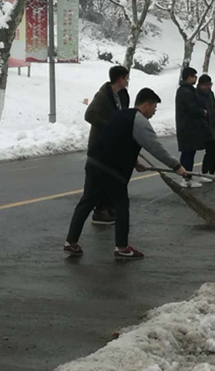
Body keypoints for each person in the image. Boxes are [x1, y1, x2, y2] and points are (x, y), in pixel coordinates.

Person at [64, 88, 187, 259]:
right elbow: (155, 147)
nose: (154, 112)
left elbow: (117, 140)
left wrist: (134, 162)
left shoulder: (121, 115)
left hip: (94, 162)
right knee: (121, 205)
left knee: (87, 201)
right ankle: (122, 248)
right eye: (154, 107)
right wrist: (176, 165)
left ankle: (71, 243)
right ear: (145, 105)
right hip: (111, 169)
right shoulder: (139, 120)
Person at [84, 65, 130, 225]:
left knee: (112, 176)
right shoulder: (102, 96)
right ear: (119, 79)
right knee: (99, 179)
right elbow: (89, 115)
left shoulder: (123, 95)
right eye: (126, 77)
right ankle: (99, 210)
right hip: (100, 143)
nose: (127, 80)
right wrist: (108, 126)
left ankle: (109, 206)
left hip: (114, 143)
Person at [175, 66, 211, 188]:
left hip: (188, 127)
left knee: (189, 152)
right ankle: (186, 178)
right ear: (189, 77)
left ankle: (187, 176)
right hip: (187, 127)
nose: (195, 79)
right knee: (188, 153)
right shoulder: (185, 91)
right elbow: (191, 109)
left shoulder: (186, 90)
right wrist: (202, 112)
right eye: (194, 76)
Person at [196, 74, 215, 175]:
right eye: (206, 85)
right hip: (205, 126)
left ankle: (212, 171)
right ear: (200, 85)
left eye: (210, 84)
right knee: (209, 151)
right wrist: (204, 124)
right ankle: (205, 172)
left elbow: (214, 105)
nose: (208, 87)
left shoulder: (210, 93)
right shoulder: (197, 95)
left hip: (213, 124)